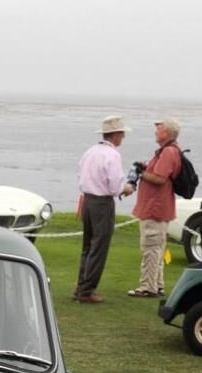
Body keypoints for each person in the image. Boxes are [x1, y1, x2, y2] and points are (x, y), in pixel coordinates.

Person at [73, 115, 134, 303]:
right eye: (122, 134)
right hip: (102, 203)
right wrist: (127, 188)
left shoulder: (90, 151)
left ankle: (81, 286)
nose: (123, 137)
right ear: (115, 135)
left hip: (88, 200)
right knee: (99, 247)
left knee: (88, 246)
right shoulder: (112, 155)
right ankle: (86, 290)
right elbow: (115, 186)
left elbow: (80, 173)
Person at [128, 118, 182, 298]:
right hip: (157, 206)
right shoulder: (169, 151)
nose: (156, 132)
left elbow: (159, 178)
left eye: (159, 129)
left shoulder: (168, 152)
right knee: (156, 248)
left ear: (167, 133)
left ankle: (148, 287)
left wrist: (141, 173)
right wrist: (146, 167)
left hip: (155, 207)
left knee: (151, 248)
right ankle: (156, 284)